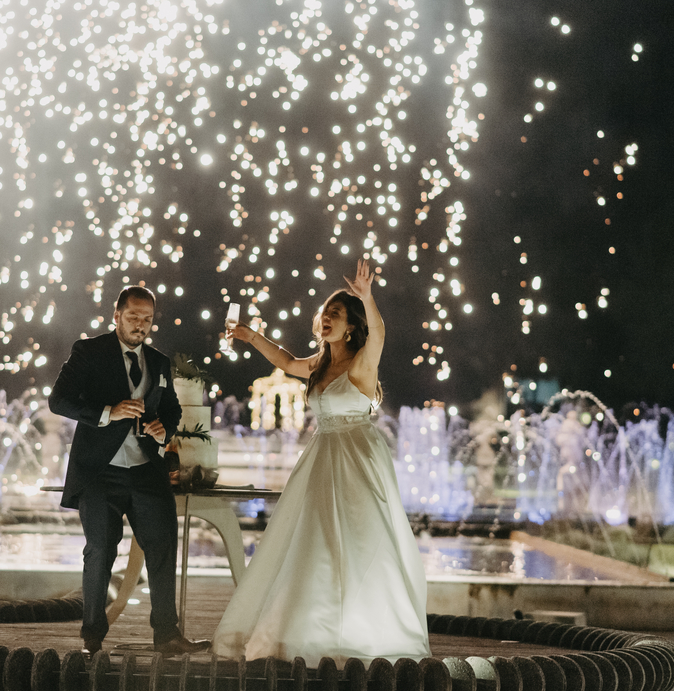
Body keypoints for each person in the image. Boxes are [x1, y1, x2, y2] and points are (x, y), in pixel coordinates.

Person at [212, 259, 430, 663]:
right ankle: (307, 631)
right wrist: (249, 335)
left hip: (357, 457)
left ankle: (364, 631)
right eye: (325, 312)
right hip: (321, 456)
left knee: (359, 540)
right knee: (315, 540)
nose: (327, 317)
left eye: (337, 313)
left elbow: (380, 333)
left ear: (351, 327)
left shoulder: (362, 362)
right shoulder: (320, 364)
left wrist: (367, 297)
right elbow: (285, 361)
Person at [49, 285, 211, 656]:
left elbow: (171, 408)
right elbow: (58, 400)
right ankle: (92, 637)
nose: (140, 324)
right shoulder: (88, 351)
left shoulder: (158, 362)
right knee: (101, 550)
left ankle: (167, 635)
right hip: (99, 472)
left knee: (163, 546)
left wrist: (162, 430)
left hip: (146, 470)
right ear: (117, 315)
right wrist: (109, 412)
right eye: (134, 316)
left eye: (147, 319)